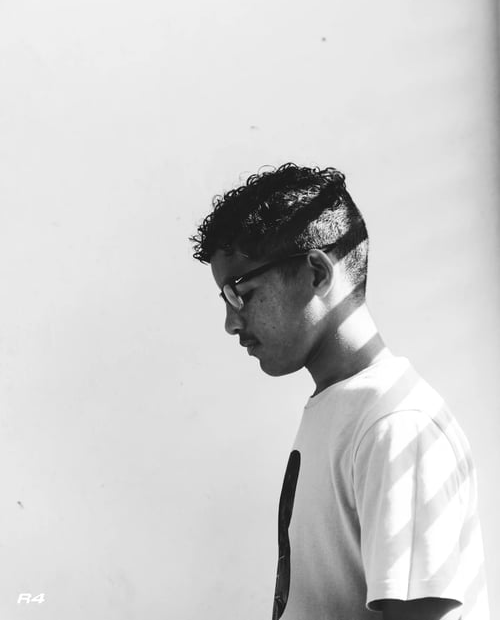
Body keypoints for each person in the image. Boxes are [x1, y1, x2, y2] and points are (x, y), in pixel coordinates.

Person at [190, 163, 489, 620]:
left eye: (240, 292)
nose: (231, 322)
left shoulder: (396, 426)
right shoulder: (345, 409)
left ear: (316, 273)